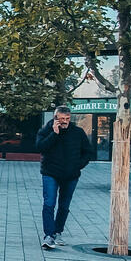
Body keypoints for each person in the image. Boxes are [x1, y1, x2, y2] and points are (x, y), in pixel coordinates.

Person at [36, 106, 92, 249]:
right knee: (49, 203)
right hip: (50, 173)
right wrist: (54, 134)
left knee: (64, 206)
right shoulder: (46, 131)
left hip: (71, 175)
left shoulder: (77, 132)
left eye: (67, 119)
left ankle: (57, 232)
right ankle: (48, 236)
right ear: (55, 118)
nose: (65, 122)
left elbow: (88, 152)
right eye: (62, 119)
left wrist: (78, 165)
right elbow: (40, 147)